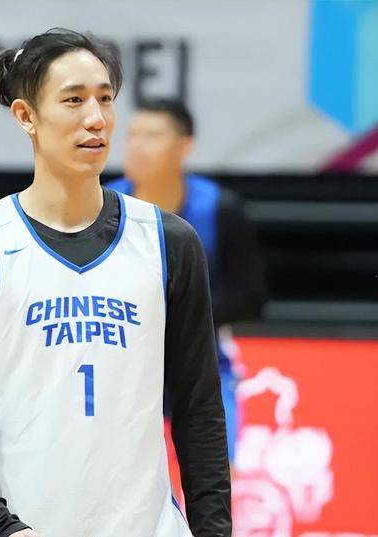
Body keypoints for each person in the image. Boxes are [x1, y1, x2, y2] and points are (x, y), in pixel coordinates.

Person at [0, 29, 231, 537]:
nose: (96, 118)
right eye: (74, 100)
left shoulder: (168, 241)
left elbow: (200, 411)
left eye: (105, 99)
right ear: (26, 116)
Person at [107, 99, 266, 462]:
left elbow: (251, 297)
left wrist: (180, 316)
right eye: (133, 135)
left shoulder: (220, 208)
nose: (138, 145)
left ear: (184, 146)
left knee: (216, 479)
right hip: (121, 368)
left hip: (200, 363)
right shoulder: (101, 205)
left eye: (152, 135)